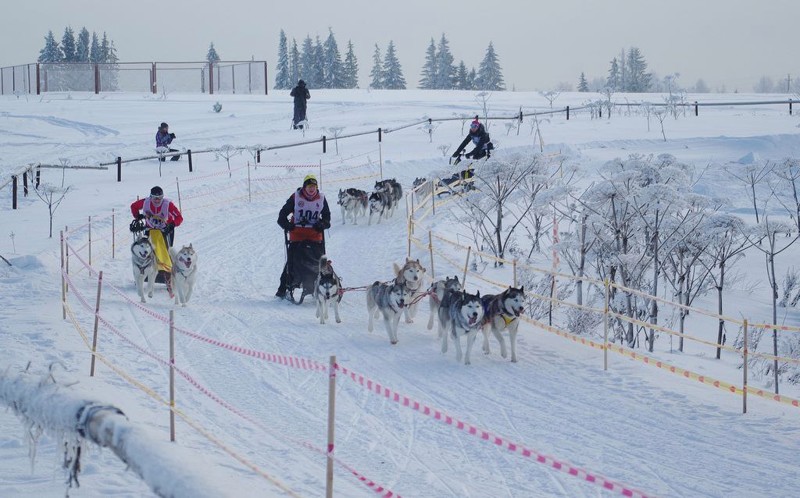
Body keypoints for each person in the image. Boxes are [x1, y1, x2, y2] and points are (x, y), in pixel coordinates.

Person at [275, 174, 331, 300]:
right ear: (304, 187)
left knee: (319, 262)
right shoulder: (296, 197)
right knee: (292, 262)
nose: (312, 189)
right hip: (297, 235)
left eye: (314, 186)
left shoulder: (321, 198)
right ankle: (283, 289)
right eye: (309, 186)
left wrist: (322, 224)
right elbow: (281, 216)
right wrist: (288, 226)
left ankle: (321, 286)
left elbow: (327, 218)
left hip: (315, 235)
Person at [131, 186, 184, 290]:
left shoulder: (168, 205)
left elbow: (179, 218)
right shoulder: (145, 202)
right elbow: (133, 206)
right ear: (151, 197)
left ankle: (169, 275)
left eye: (160, 198)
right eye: (155, 198)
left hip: (165, 231)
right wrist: (138, 216)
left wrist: (172, 224)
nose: (157, 200)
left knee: (165, 253)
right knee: (146, 253)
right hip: (149, 230)